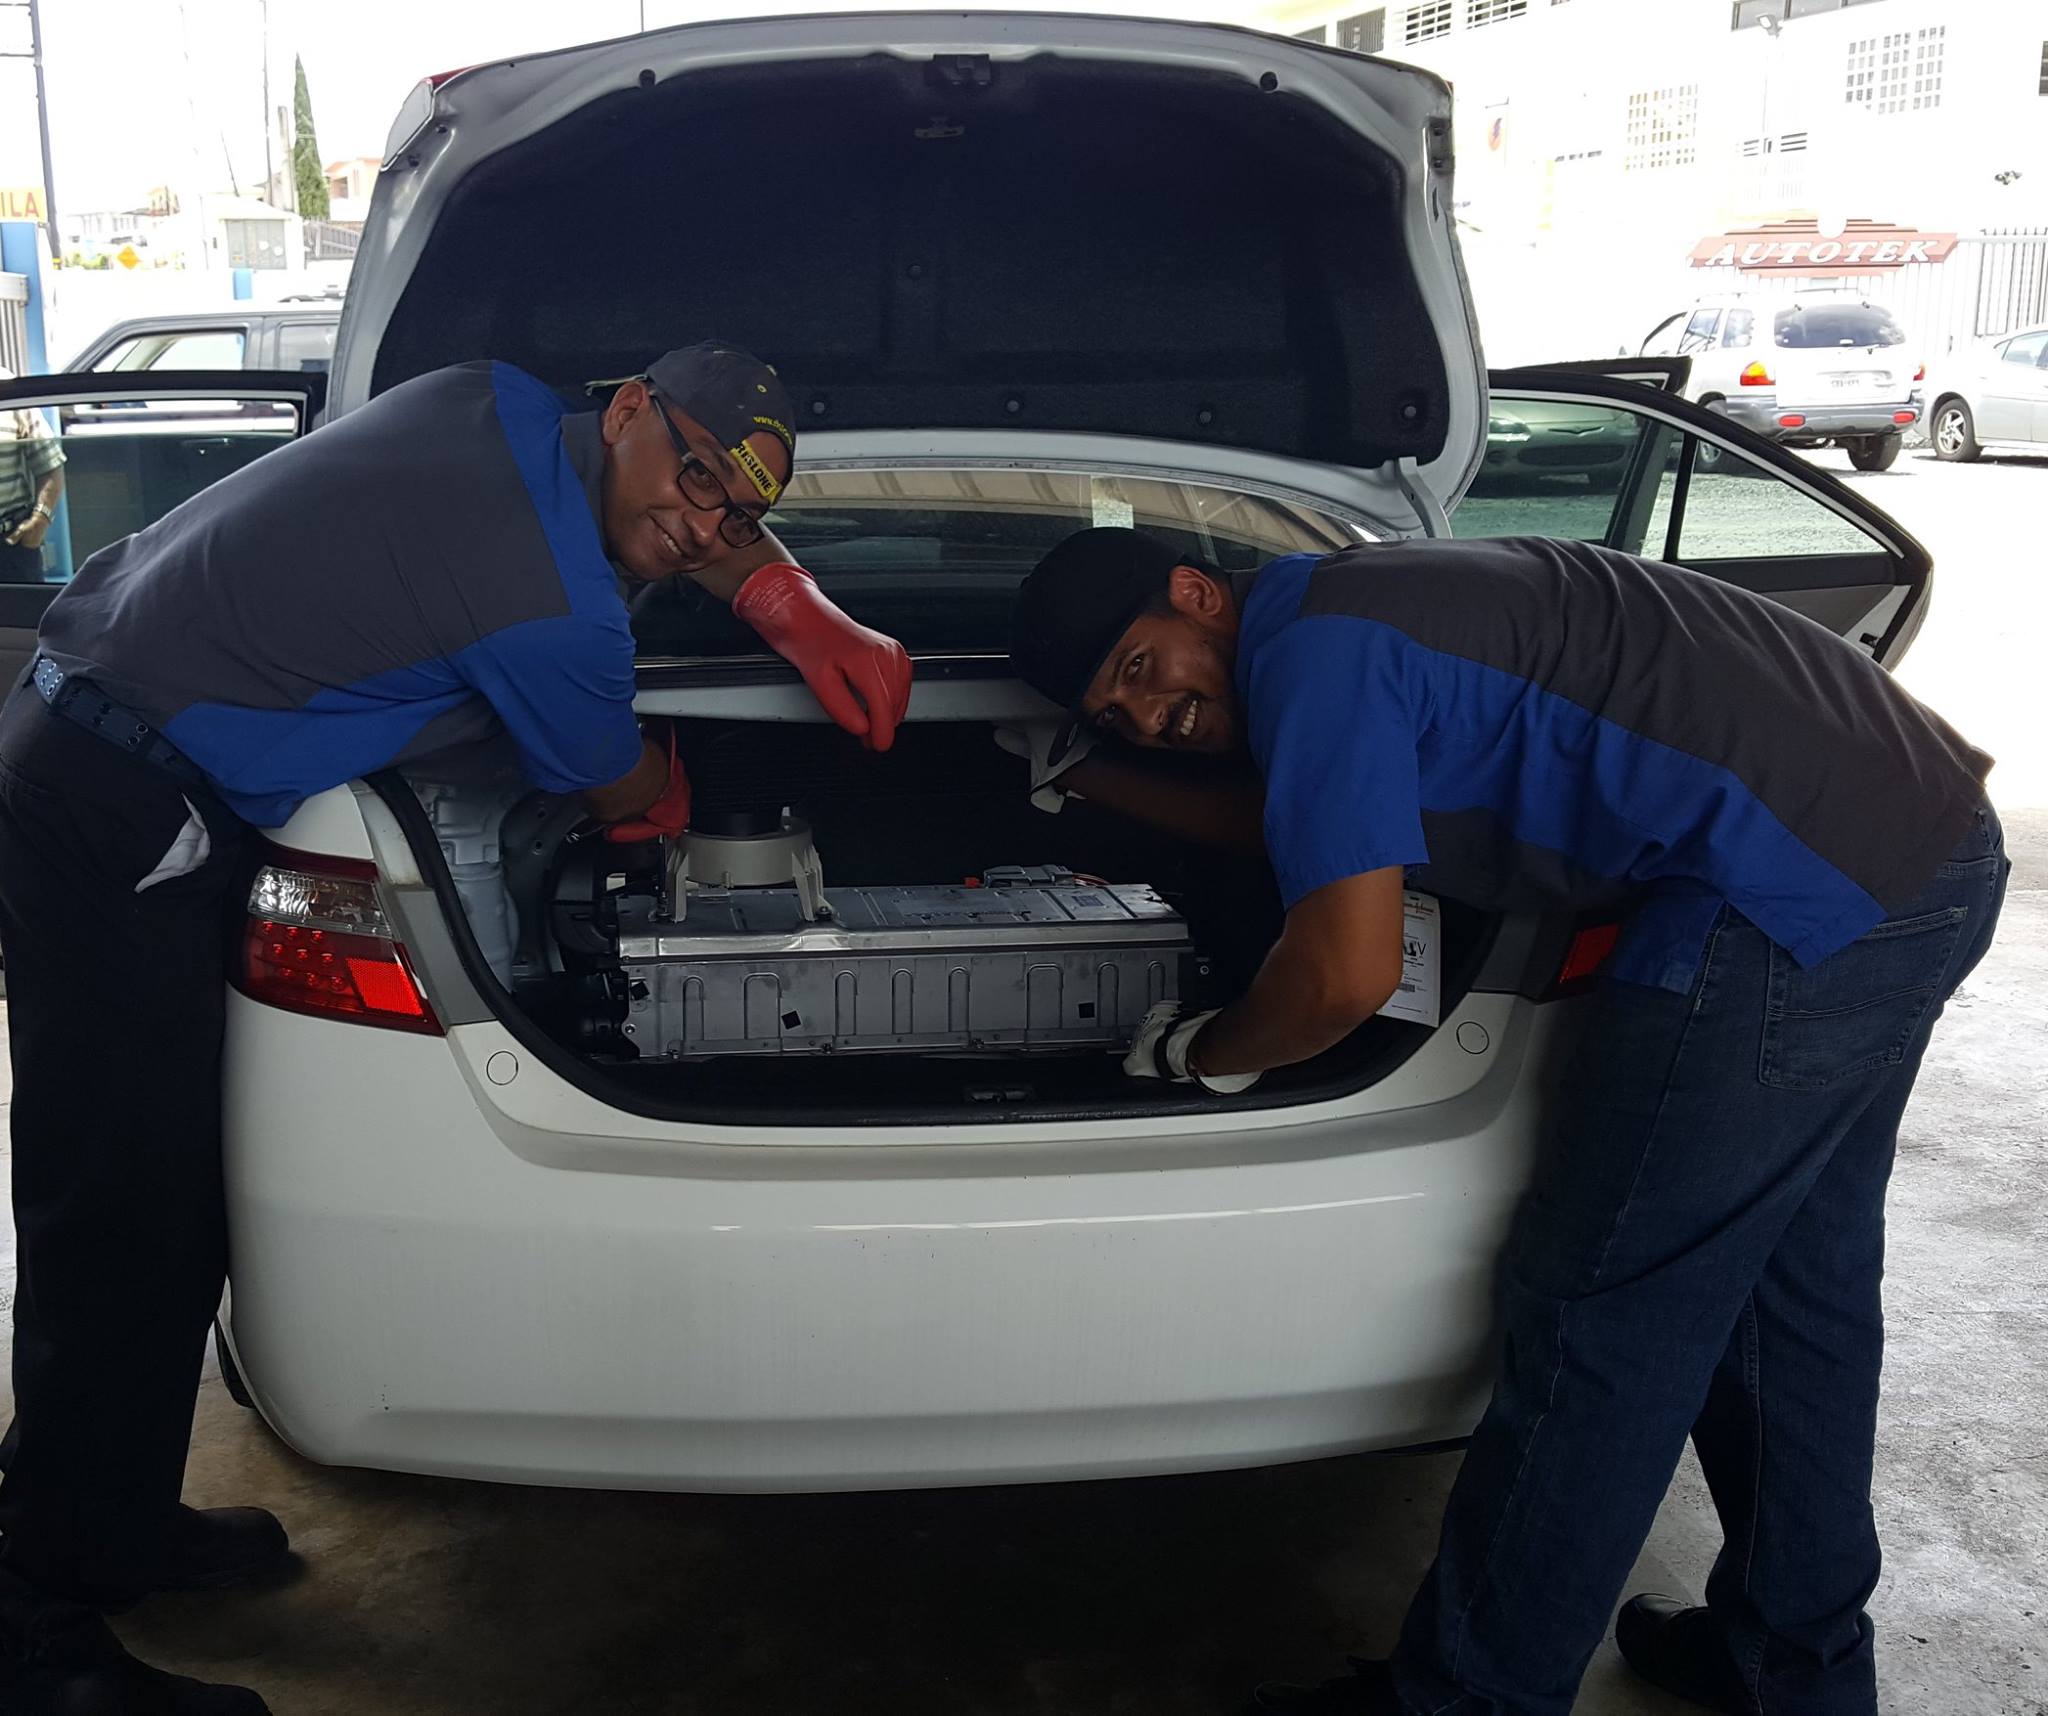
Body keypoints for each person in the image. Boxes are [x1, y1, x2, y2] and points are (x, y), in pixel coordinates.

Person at [0, 343, 911, 1715]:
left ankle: (105, 1527)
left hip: (101, 735)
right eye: (694, 476)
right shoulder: (557, 618)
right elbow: (626, 796)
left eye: (738, 511)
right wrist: (678, 787)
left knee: (162, 1200)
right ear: (628, 408)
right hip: (120, 802)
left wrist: (792, 597)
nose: (703, 524)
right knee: (116, 1212)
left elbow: (667, 520)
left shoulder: (480, 396)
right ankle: (32, 1632)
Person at [1004, 526, 2007, 1716]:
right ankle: (1792, 1665)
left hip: (1779, 898)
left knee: (1604, 1322)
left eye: (1137, 667)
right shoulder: (1346, 610)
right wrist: (1092, 777)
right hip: (1923, 850)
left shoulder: (1316, 659)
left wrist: (1203, 1050)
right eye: (1109, 711)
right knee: (1789, 1291)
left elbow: (1341, 978)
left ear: (1193, 593)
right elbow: (1309, 816)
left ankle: (1470, 1700)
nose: (1140, 711)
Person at [0, 365, 65, 583]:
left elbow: (50, 464)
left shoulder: (7, 385)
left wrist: (40, 520)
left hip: (10, 545)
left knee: (25, 606)